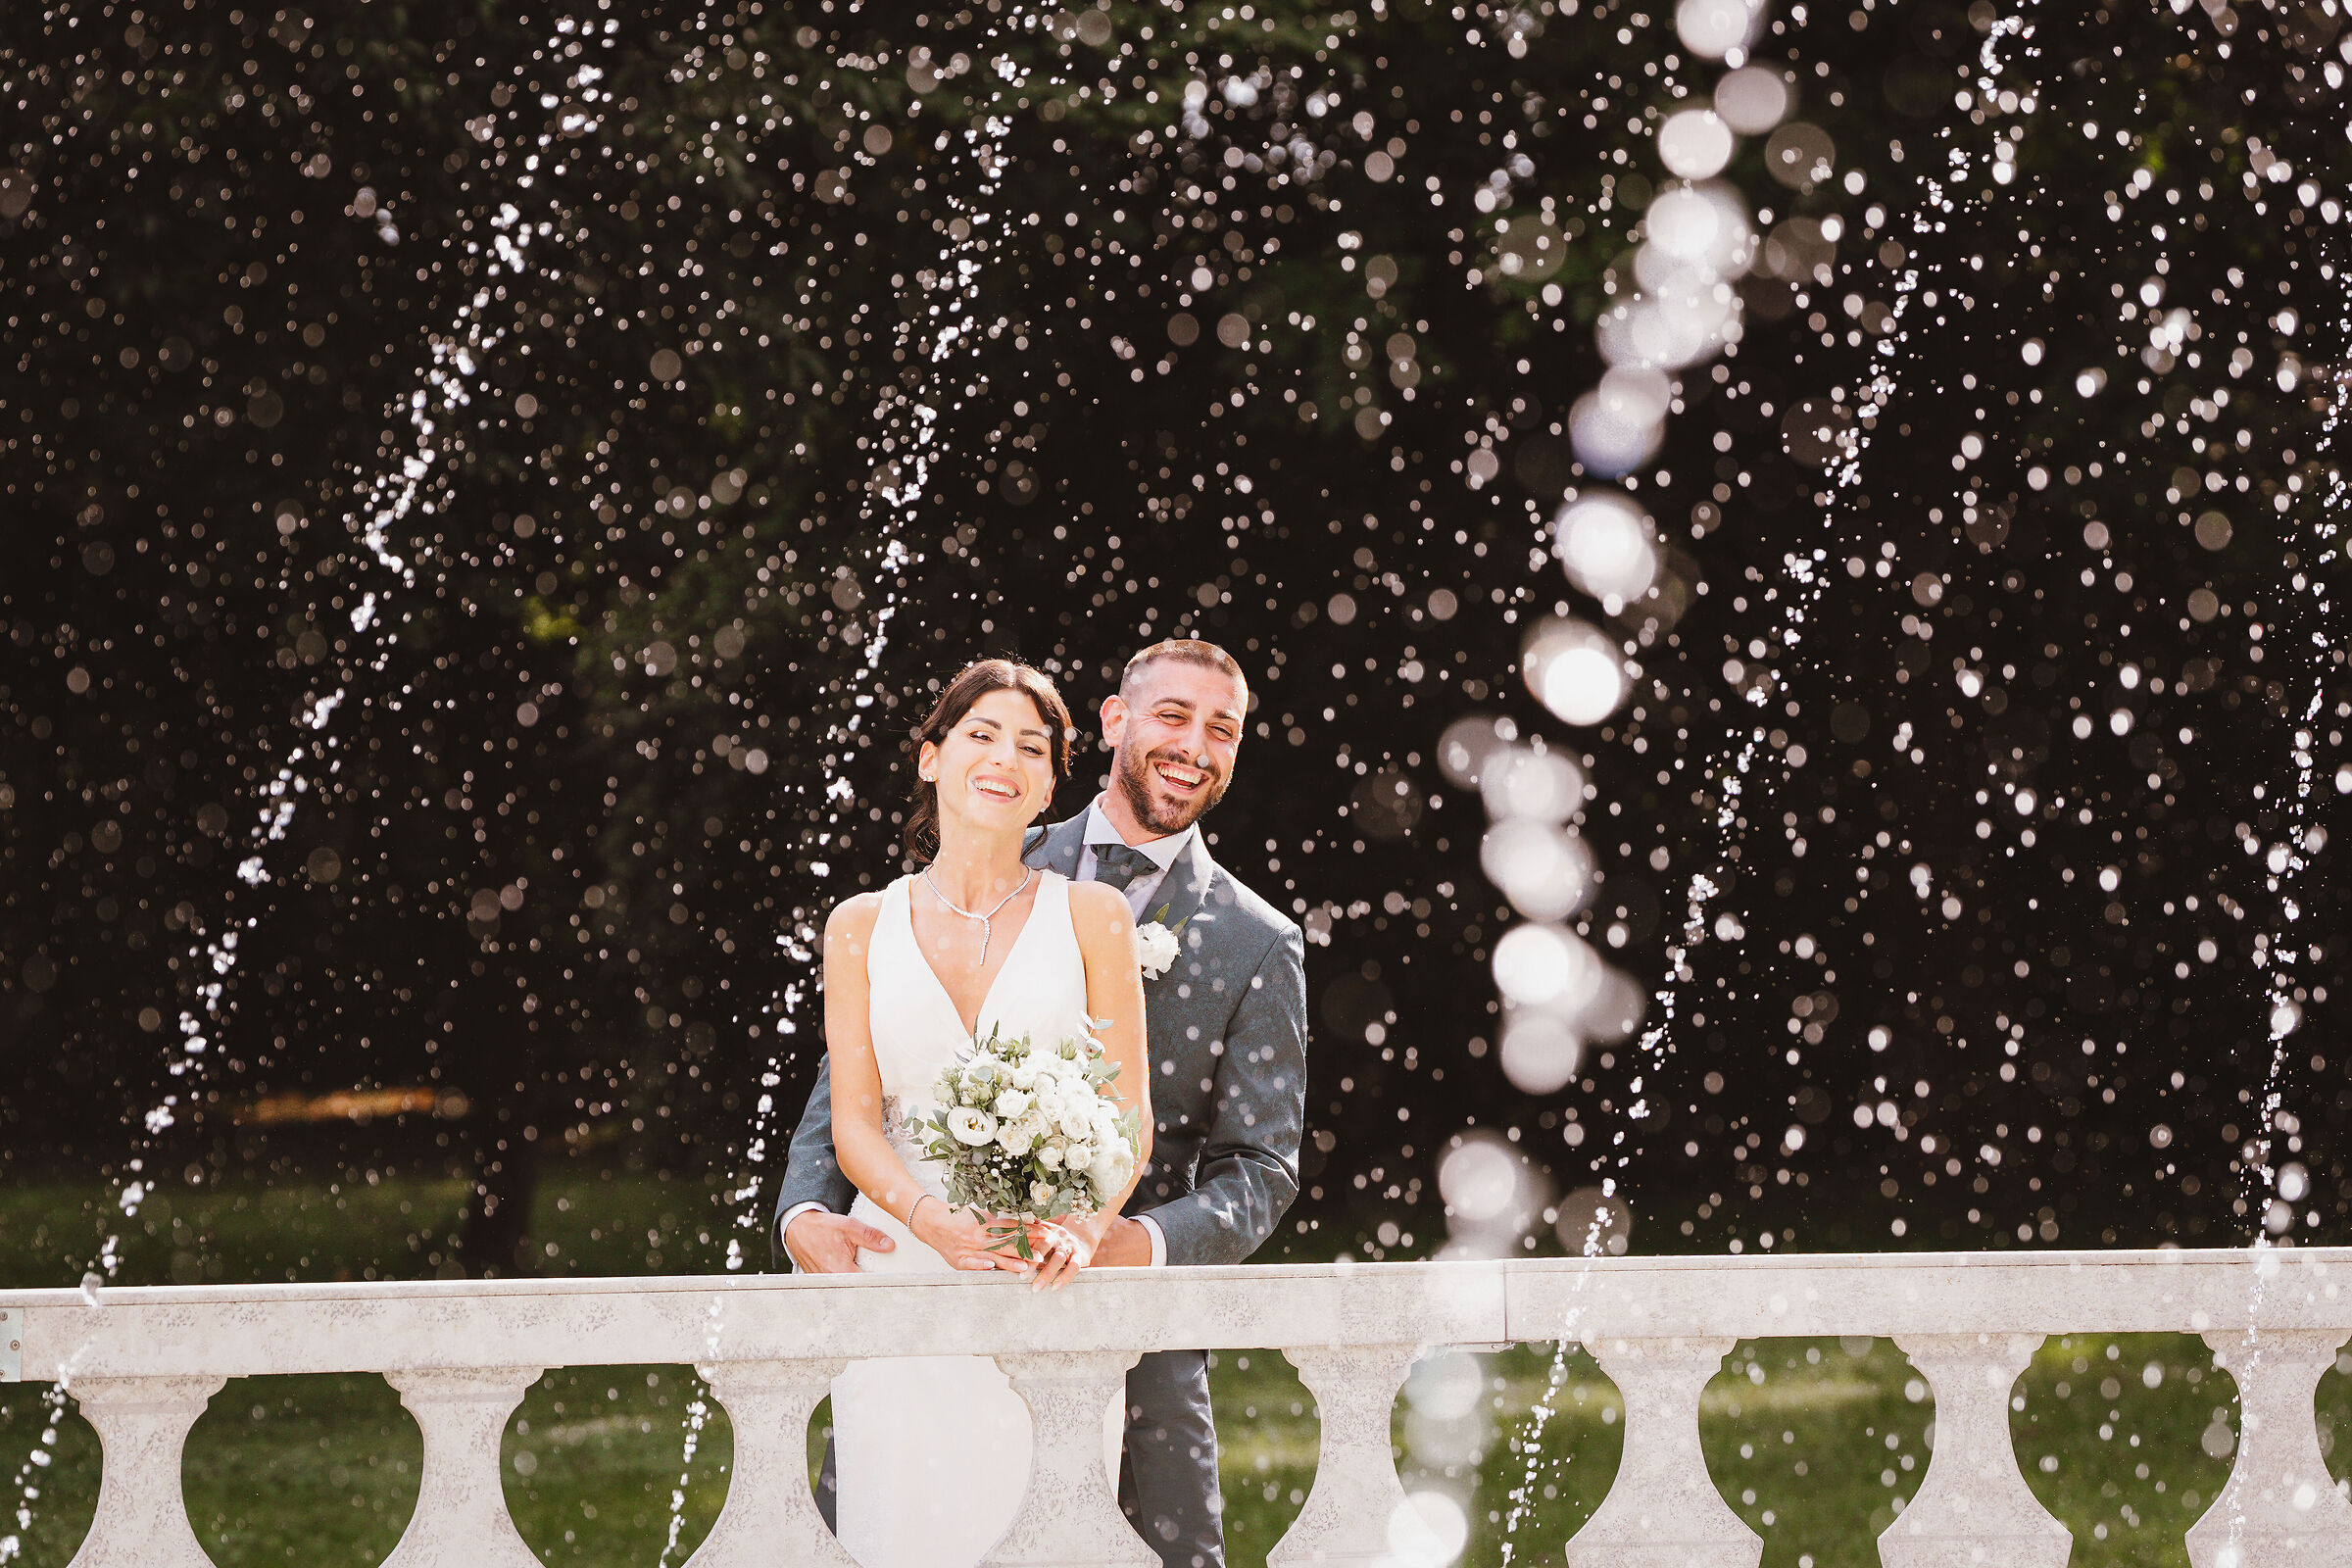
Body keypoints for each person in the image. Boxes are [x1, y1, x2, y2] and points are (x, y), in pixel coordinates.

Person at [777, 638, 1310, 1568]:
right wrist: (804, 1208)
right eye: (1172, 716)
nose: (1193, 745)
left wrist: (1130, 1241)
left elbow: (1262, 1169)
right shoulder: (991, 835)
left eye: (1220, 729)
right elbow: (863, 1079)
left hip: (1124, 1314)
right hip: (914, 1274)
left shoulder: (1255, 939)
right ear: (1113, 722)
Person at [814, 657, 1155, 1568]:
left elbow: (1128, 1115)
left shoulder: (1094, 915)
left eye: (1033, 747)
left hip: (1043, 1271)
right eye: (982, 734)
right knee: (901, 1531)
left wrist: (1083, 1229)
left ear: (1050, 783)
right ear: (930, 758)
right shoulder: (857, 924)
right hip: (901, 1271)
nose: (1006, 757)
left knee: (1048, 1531)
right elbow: (852, 1122)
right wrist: (932, 1222)